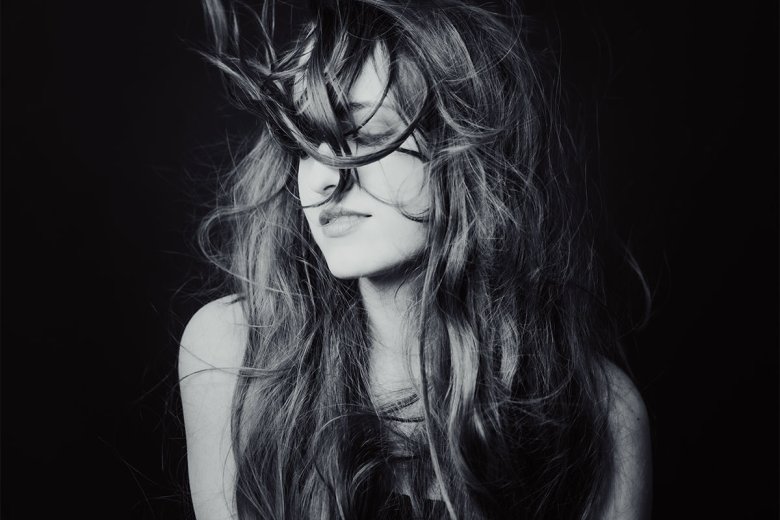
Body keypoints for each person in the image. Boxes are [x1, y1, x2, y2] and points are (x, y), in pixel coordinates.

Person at [178, 1, 652, 518]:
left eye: (368, 135)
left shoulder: (600, 413)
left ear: (465, 149)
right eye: (306, 143)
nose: (325, 179)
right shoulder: (234, 355)